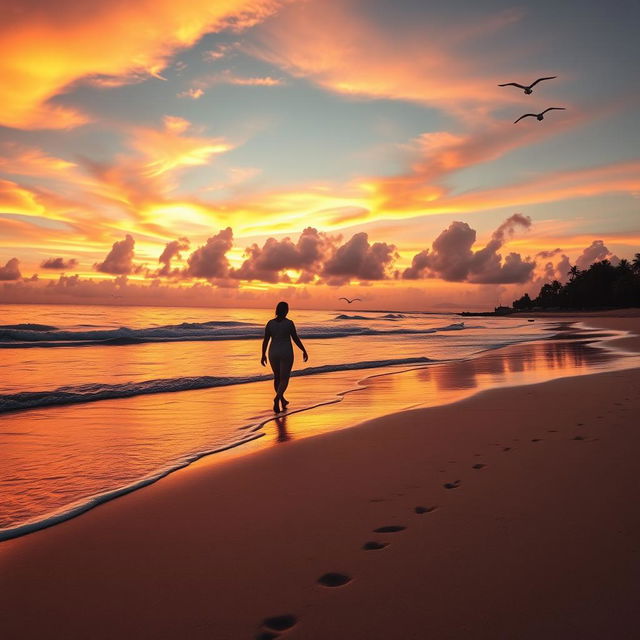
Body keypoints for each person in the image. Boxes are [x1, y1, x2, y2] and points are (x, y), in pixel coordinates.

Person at [261, 301, 308, 413]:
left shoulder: (270, 323)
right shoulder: (289, 323)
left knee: (277, 377)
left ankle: (282, 400)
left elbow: (266, 340)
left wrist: (263, 354)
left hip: (273, 352)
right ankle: (277, 398)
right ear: (286, 310)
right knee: (284, 379)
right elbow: (295, 338)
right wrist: (303, 350)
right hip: (286, 352)